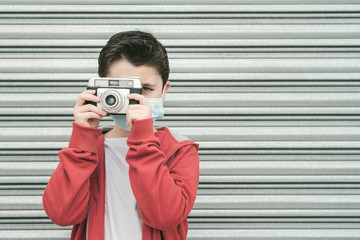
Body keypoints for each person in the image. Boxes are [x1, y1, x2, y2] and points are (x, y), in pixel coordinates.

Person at [42, 31, 200, 240]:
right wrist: (82, 139)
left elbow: (165, 217)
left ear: (164, 90)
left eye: (145, 89)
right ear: (101, 89)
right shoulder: (88, 149)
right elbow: (61, 214)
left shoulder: (179, 150)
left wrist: (143, 138)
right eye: (123, 90)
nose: (134, 99)